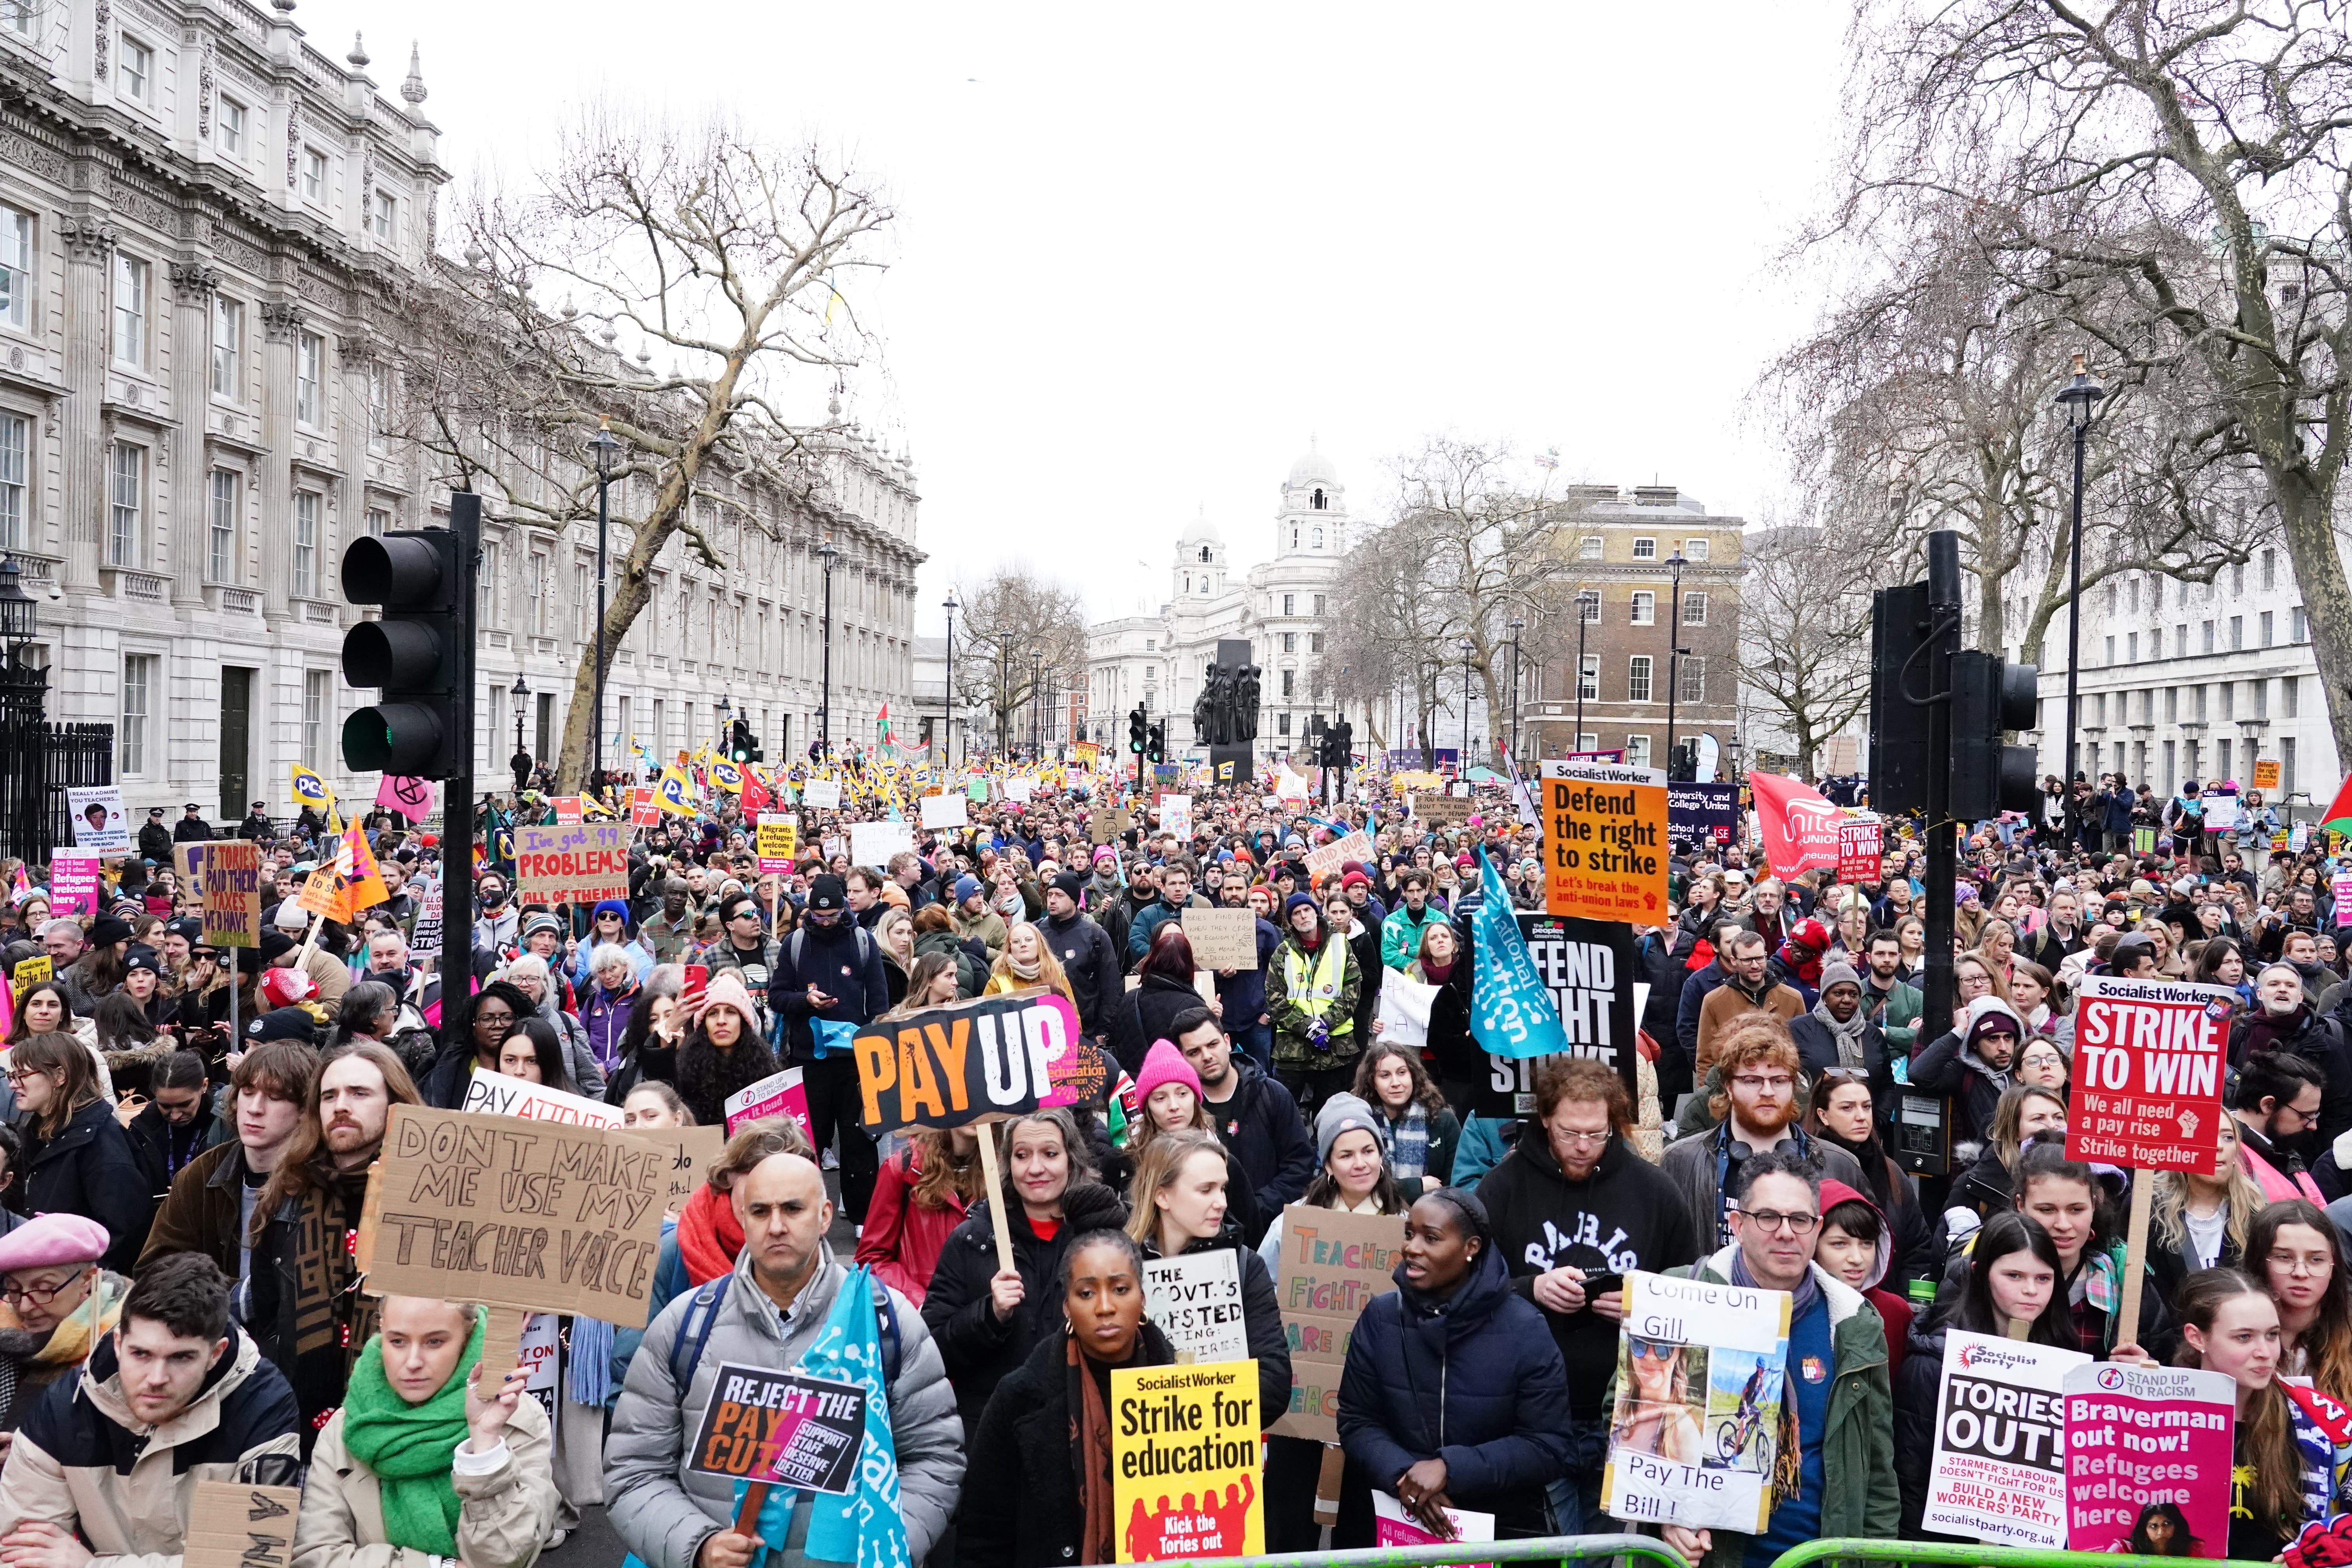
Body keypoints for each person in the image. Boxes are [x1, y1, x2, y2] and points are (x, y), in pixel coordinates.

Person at [605, 1147, 964, 1568]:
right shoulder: (685, 1325)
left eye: (793, 1209)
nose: (776, 1226)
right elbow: (634, 1471)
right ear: (742, 1218)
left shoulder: (888, 1321)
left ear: (826, 1215)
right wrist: (698, 1547)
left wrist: (884, 1548)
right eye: (760, 1212)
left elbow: (935, 1460)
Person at [1479, 1057, 1699, 1532]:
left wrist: (1645, 1307)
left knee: (1600, 1552)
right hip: (1532, 1414)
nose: (1582, 1147)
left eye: (1596, 1134)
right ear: (1544, 1120)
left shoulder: (1655, 1191)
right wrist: (1530, 1287)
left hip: (1624, 1411)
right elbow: (1467, 1285)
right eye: (1569, 1133)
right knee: (1547, 1548)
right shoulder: (1504, 1187)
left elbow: (1691, 1292)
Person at [1657, 1152, 1900, 1567]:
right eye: (1768, 1217)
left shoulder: (1854, 1322)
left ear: (1817, 1227)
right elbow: (1631, 1422)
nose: (1786, 1233)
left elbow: (1877, 1470)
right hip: (1712, 1558)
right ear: (1737, 1225)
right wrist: (1666, 1516)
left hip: (1823, 1555)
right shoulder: (1679, 1295)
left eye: (1800, 1219)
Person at [0, 1253, 301, 1561]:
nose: (157, 1379)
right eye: (141, 1354)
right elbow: (19, 1553)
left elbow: (249, 1562)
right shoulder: (66, 1405)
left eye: (181, 1357)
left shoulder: (262, 1405)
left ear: (215, 1353)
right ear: (118, 1343)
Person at [1337, 1188, 1573, 1545]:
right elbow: (1357, 1420)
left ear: (1471, 1248)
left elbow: (1548, 1446)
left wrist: (1450, 1469)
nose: (1412, 1248)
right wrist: (1407, 1479)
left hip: (1500, 1531)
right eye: (1409, 1234)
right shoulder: (1381, 1317)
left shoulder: (1525, 1328)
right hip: (1396, 1524)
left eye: (1431, 1238)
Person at [953, 1229, 1176, 1567]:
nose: (1105, 1307)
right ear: (1067, 1307)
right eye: (1086, 1293)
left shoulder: (1187, 1390)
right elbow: (983, 1532)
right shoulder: (1018, 1399)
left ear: (1142, 1298)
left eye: (1120, 1289)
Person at [247, 1042, 420, 1452]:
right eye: (329, 1096)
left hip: (403, 1424)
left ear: (395, 1103)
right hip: (300, 1427)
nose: (341, 1105)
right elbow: (267, 1310)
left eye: (359, 1093)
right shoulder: (287, 1194)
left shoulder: (423, 1198)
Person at [294, 1298, 552, 1568]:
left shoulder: (515, 1417)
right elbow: (317, 1555)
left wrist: (485, 1443)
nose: (413, 1362)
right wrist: (439, 1566)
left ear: (467, 1336)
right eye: (398, 1342)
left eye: (434, 1342)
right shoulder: (346, 1428)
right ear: (382, 1331)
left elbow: (508, 1557)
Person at [920, 1109, 1127, 1439]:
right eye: (1022, 1155)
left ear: (1071, 1160)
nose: (1035, 1168)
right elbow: (932, 1351)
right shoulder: (972, 1241)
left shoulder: (1102, 1240)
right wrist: (990, 1315)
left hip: (1087, 1429)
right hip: (995, 1435)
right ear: (1007, 1163)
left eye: (1050, 1154)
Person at [1892, 1212, 2074, 1535]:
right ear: (1980, 1274)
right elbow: (1911, 1478)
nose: (2031, 1290)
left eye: (2043, 1278)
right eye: (2014, 1276)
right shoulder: (1933, 1363)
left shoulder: (2066, 1365)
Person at [2169, 1269, 2352, 1562]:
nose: (2265, 1352)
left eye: (2272, 1335)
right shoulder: (2153, 1418)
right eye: (2244, 1337)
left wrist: (2328, 1548)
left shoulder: (2321, 1419)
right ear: (2197, 1338)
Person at [1125, 1129, 1290, 1421]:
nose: (1222, 1203)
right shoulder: (1121, 1270)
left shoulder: (1244, 1266)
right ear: (1162, 1196)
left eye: (1223, 1188)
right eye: (1206, 1190)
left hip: (1218, 1454)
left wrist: (1181, 1403)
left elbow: (1274, 1385)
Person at [1659, 1016, 1866, 1248]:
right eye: (1752, 1081)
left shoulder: (1842, 1166)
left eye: (1779, 1081)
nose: (1767, 1091)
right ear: (1728, 1086)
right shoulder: (1681, 1161)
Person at [138, 1042, 319, 1289]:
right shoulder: (199, 1175)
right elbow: (153, 1270)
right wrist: (237, 1297)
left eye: (276, 1097)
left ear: (305, 1109)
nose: (255, 1109)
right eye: (247, 1092)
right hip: (215, 1323)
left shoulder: (323, 1181)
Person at [766, 874, 892, 1223]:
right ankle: (802, 1210)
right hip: (810, 1061)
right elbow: (777, 996)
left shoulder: (864, 942)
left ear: (844, 910)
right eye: (819, 917)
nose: (825, 922)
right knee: (809, 1141)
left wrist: (874, 1047)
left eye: (833, 916)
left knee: (858, 1142)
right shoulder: (795, 943)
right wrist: (805, 1000)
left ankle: (861, 1218)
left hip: (854, 1062)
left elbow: (879, 1001)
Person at [8, 1033, 151, 1276]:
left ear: (59, 1077)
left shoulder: (102, 1144)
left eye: (22, 1075)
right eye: (12, 1076)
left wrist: (75, 1284)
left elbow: (123, 1236)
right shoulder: (36, 1133)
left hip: (79, 1295)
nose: (13, 1085)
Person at [1172, 1007, 1313, 1242]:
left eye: (1212, 1045)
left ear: (1227, 1042)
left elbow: (1300, 1164)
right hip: (1206, 1238)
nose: (1207, 1056)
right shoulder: (1182, 1110)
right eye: (1194, 1052)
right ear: (1182, 1058)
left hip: (1271, 1232)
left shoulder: (1273, 1095)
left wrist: (1256, 1208)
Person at [1806, 1069, 1940, 1286]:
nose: (1861, 1116)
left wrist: (1902, 1302)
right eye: (1847, 1108)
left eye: (1866, 1107)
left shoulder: (1892, 1171)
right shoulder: (1808, 1167)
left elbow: (1918, 1247)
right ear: (1823, 1115)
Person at [0, 1216, 123, 1440]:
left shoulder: (123, 1346)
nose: (25, 1307)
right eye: (14, 1290)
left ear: (88, 1280)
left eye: (45, 1289)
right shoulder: (4, 1331)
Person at [855, 1126, 981, 1308]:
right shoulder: (904, 1168)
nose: (975, 1104)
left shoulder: (1011, 1170)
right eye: (967, 1096)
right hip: (921, 1324)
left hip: (989, 1324)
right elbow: (871, 1259)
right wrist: (920, 1303)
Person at [2147, 1114, 2260, 1305]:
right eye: (2206, 1136)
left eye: (2228, 1137)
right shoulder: (2150, 1209)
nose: (2219, 1146)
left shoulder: (2254, 1210)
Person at [1268, 892, 1364, 1116]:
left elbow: (1353, 988)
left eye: (1307, 910)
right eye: (1297, 913)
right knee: (1284, 1114)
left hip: (1335, 1046)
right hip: (1292, 1049)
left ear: (1316, 912)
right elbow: (1274, 997)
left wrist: (1326, 1023)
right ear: (1290, 920)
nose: (1303, 916)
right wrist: (1306, 1027)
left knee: (1332, 1115)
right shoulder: (1283, 952)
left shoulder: (1341, 945)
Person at [1813, 1180, 1914, 1379]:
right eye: (1840, 1244)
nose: (1857, 1259)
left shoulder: (1896, 1312)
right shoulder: (1795, 1308)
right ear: (1811, 1245)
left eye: (1867, 1244)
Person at [672, 971, 778, 1131]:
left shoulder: (766, 1073)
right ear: (704, 1024)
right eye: (713, 1013)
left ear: (743, 1022)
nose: (721, 1021)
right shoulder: (685, 1074)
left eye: (731, 1012)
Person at [1694, 929, 1806, 1080]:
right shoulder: (1714, 1001)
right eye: (1747, 960)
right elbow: (1705, 1059)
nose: (1755, 965)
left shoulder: (1793, 998)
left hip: (1780, 1088)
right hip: (1733, 1090)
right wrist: (1711, 1095)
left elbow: (1803, 1052)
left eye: (1760, 958)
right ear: (1734, 961)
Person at [1352, 1040, 1458, 1191]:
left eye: (1402, 1073)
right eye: (1385, 1075)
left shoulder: (1443, 1120)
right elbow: (1355, 1186)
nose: (1396, 1083)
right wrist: (1416, 1187)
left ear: (1413, 1076)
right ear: (1373, 1082)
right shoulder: (1359, 1122)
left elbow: (1455, 1184)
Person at [2231, 1051, 2329, 1203]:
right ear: (2268, 1105)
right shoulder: (2227, 1160)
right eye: (2304, 1116)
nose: (2313, 1126)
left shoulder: (2278, 1146)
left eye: (2315, 1115)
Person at [123, 1051, 214, 1203]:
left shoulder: (226, 1127)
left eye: (185, 1104)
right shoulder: (141, 1129)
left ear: (204, 1086)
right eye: (165, 1106)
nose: (175, 1116)